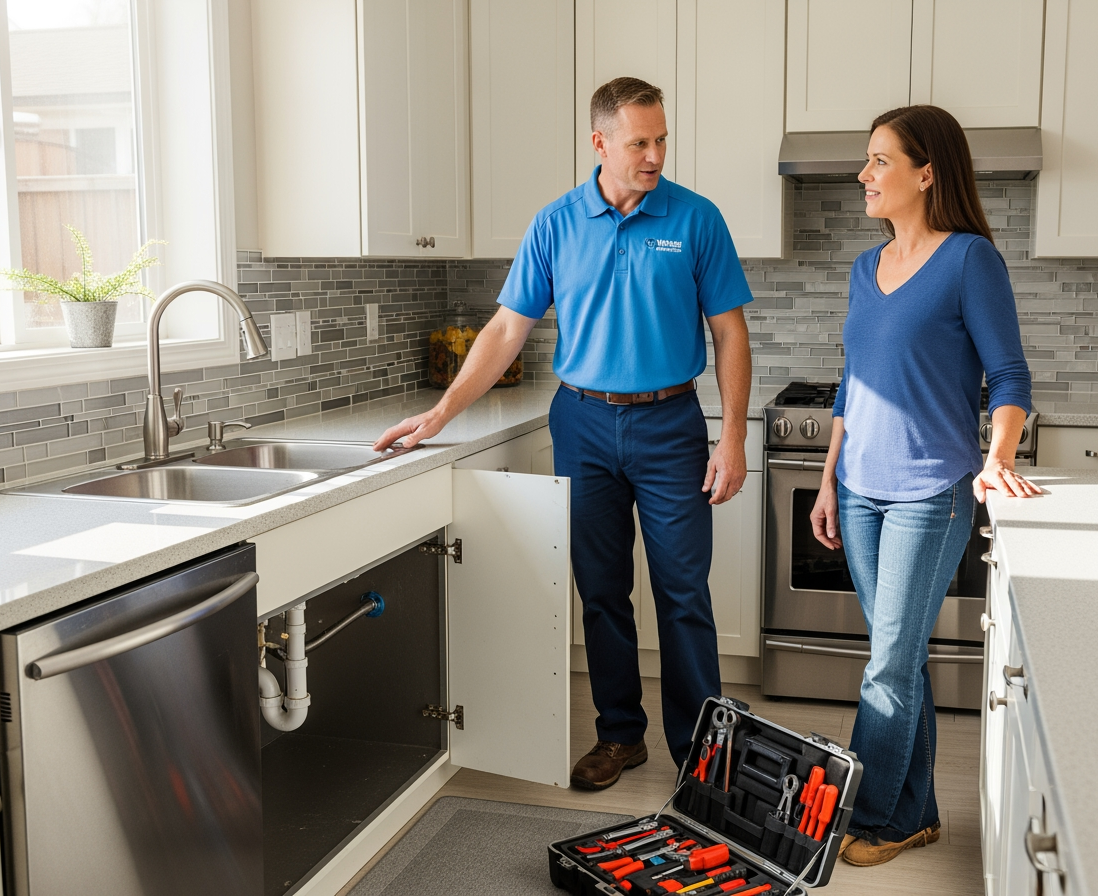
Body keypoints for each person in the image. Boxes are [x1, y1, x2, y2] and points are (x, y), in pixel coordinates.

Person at [373, 77, 754, 790]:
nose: (654, 154)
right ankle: (620, 737)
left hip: (672, 424)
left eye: (661, 139)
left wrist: (732, 436)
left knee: (683, 591)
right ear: (599, 142)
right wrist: (441, 413)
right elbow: (507, 329)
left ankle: (701, 752)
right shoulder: (555, 224)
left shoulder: (696, 219)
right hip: (581, 421)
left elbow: (730, 334)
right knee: (602, 590)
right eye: (639, 141)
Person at [808, 105, 1041, 866]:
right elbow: (851, 385)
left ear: (926, 171)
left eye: (879, 161)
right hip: (861, 489)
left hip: (929, 492)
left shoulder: (970, 259)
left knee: (888, 661)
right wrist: (826, 480)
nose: (863, 175)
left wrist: (997, 454)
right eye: (866, 161)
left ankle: (868, 816)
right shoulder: (864, 267)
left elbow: (1008, 376)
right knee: (898, 657)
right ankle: (919, 814)